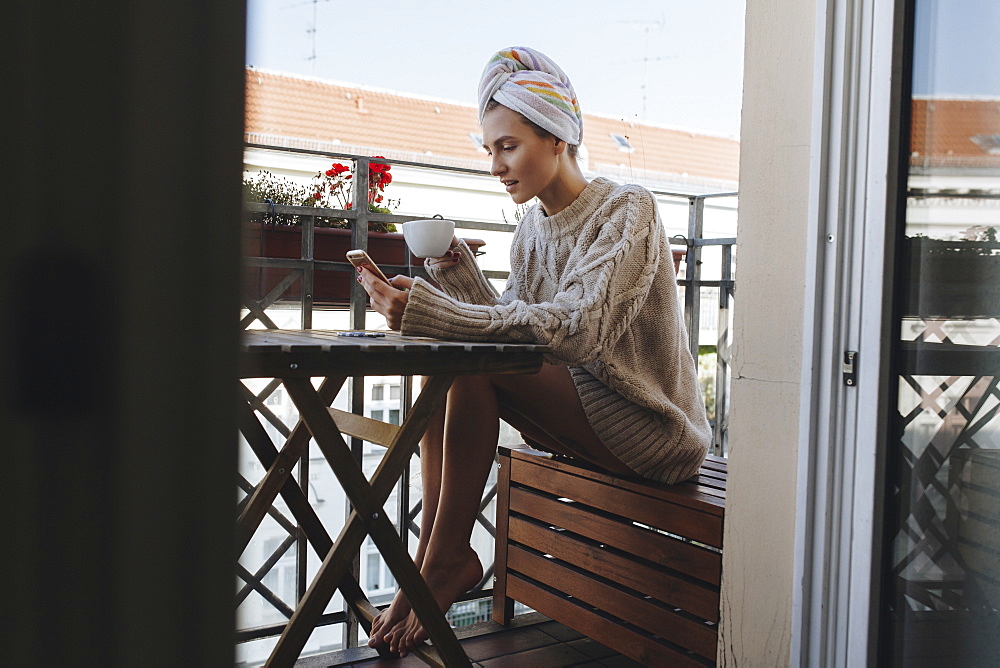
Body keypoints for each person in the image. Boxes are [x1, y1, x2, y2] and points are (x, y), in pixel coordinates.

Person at [356, 46, 711, 657]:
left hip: (652, 427)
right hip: (587, 417)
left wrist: (436, 312)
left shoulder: (628, 209)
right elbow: (510, 323)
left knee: (471, 364)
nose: (495, 165)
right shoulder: (530, 229)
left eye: (508, 146)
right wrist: (455, 274)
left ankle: (444, 563)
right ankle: (433, 558)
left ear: (558, 139)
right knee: (454, 365)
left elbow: (576, 330)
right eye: (489, 149)